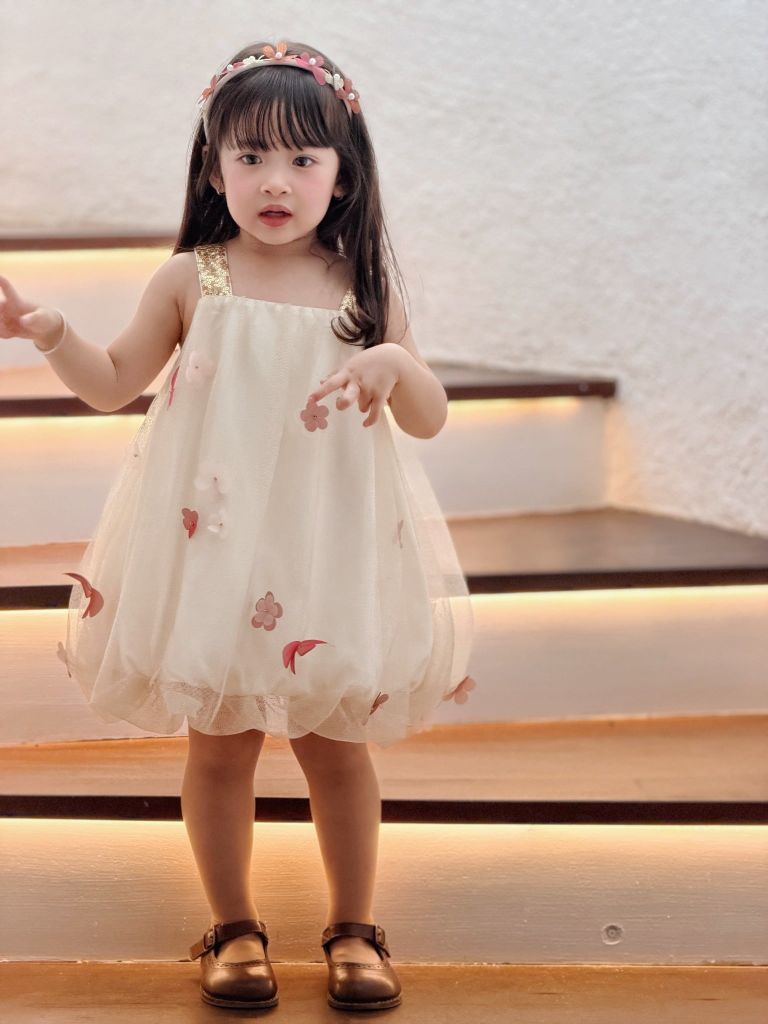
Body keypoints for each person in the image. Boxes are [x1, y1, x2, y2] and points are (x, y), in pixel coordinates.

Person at [0, 38, 475, 1011]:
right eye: (250, 156)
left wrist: (394, 367)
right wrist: (52, 334)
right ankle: (234, 925)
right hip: (216, 551)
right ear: (214, 170)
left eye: (303, 157)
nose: (276, 180)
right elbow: (113, 384)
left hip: (324, 549)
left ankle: (354, 925)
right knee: (220, 743)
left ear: (343, 176)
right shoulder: (194, 279)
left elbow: (428, 417)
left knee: (337, 744)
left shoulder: (362, 288)